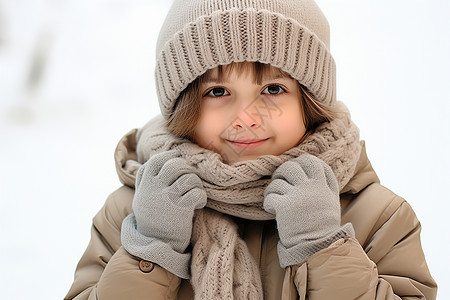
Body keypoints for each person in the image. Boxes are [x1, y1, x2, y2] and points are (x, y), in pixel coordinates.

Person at [65, 0, 437, 299]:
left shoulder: (378, 216)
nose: (244, 118)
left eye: (273, 90)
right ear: (183, 107)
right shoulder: (133, 211)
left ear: (310, 102)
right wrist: (150, 250)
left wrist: (323, 248)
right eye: (217, 92)